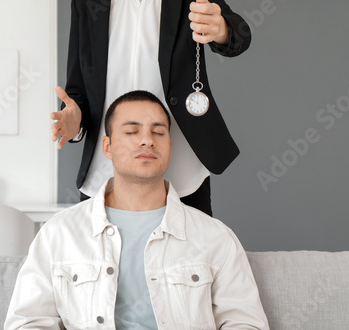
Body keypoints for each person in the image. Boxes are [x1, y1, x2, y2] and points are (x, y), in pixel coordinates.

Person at [6, 91, 269, 330]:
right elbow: (27, 323)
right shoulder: (60, 233)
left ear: (170, 146)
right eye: (132, 131)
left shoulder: (215, 237)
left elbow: (245, 325)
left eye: (159, 132)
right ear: (107, 147)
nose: (147, 140)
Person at [51, 0, 251, 216]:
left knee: (190, 248)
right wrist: (76, 122)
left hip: (182, 170)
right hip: (103, 173)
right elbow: (77, 89)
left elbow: (240, 36)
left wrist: (221, 28)